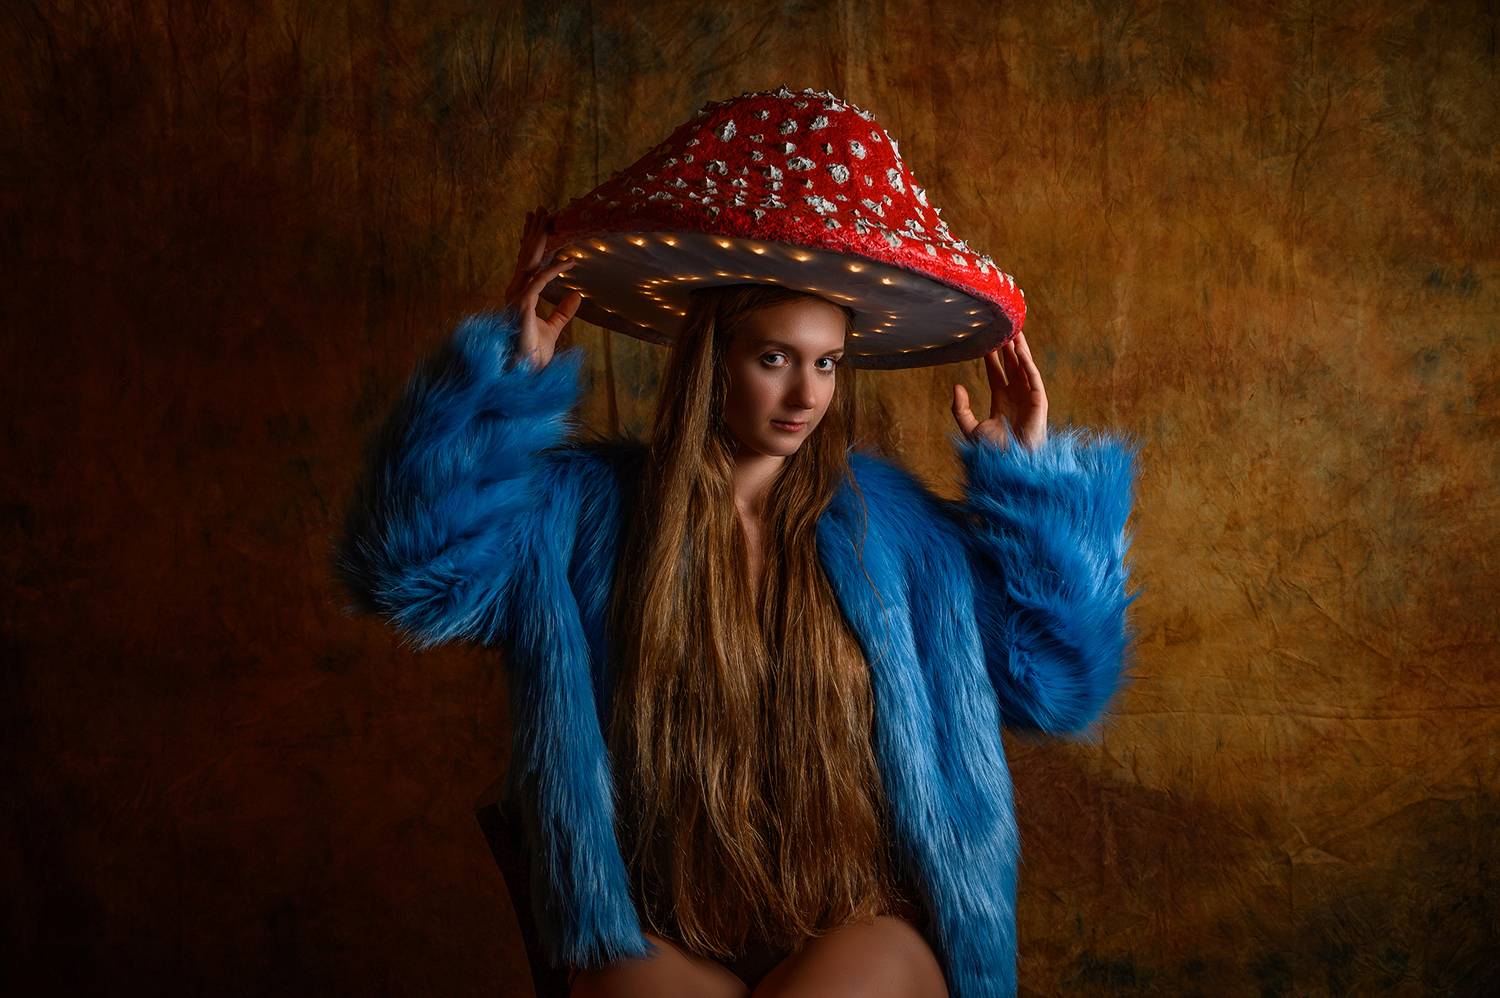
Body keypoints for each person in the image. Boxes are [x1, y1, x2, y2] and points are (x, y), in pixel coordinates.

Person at [333, 86, 1140, 998]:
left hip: (856, 924)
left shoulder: (895, 530)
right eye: (774, 358)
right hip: (660, 932)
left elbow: (1056, 685)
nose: (806, 394)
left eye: (826, 362)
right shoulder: (586, 513)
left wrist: (1030, 481)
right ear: (710, 357)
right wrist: (504, 381)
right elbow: (411, 574)